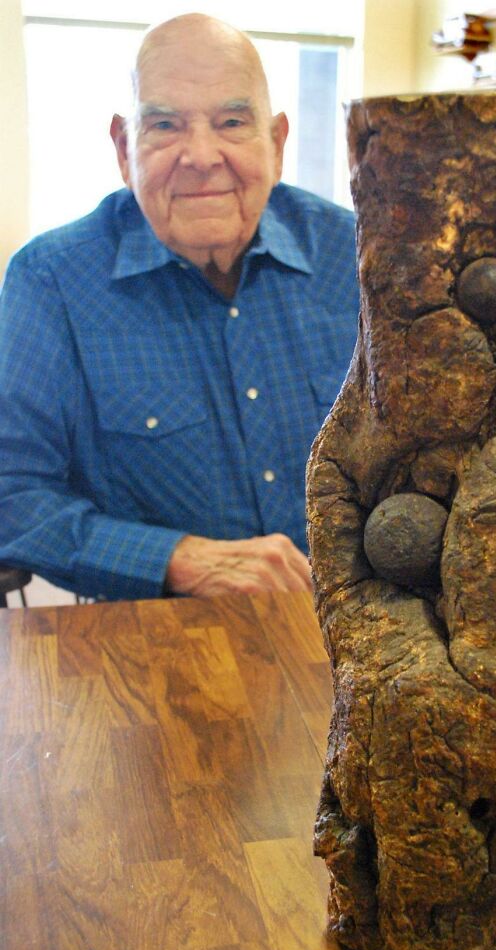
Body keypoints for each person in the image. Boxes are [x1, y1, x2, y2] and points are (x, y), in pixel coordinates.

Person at [0, 14, 359, 601]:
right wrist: (178, 560)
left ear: (276, 142)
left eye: (232, 122)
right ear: (123, 147)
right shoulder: (51, 281)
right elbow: (12, 494)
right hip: (158, 640)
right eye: (164, 125)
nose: (201, 155)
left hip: (363, 631)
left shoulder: (360, 257)